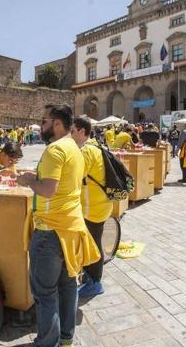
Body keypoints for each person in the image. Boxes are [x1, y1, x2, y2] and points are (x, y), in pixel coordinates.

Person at [16, 104, 99, 347]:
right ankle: (65, 339)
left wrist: (27, 181)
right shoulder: (75, 147)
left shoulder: (54, 150)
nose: (41, 127)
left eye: (44, 122)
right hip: (70, 227)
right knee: (68, 286)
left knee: (45, 293)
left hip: (50, 230)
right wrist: (37, 178)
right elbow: (61, 184)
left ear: (57, 124)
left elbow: (48, 191)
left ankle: (46, 343)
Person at [71, 116, 112, 299]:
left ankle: (95, 283)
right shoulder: (96, 146)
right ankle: (90, 279)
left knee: (93, 246)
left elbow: (74, 178)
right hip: (100, 205)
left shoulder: (86, 151)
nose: (69, 135)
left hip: (91, 208)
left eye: (72, 131)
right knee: (93, 242)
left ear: (81, 131)